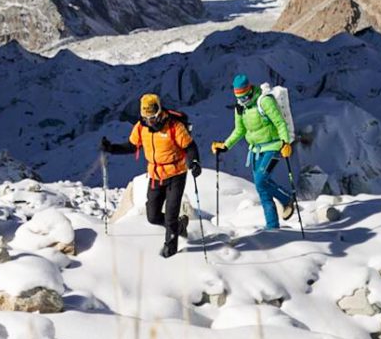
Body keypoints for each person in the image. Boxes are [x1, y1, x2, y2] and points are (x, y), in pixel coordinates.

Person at [100, 93, 202, 258]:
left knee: (170, 215)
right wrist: (112, 148)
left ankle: (171, 251)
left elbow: (190, 146)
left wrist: (194, 162)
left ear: (159, 111)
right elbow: (132, 146)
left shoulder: (174, 126)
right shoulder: (141, 127)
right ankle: (179, 226)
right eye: (146, 117)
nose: (150, 121)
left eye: (153, 117)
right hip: (155, 175)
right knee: (153, 216)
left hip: (176, 174)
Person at [211, 74, 295, 231]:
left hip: (274, 146)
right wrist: (226, 146)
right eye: (240, 98)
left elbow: (279, 122)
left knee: (261, 179)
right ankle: (272, 227)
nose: (243, 101)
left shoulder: (264, 101)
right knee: (261, 188)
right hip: (256, 150)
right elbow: (240, 130)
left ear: (250, 90)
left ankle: (287, 199)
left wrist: (285, 143)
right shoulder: (240, 108)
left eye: (245, 97)